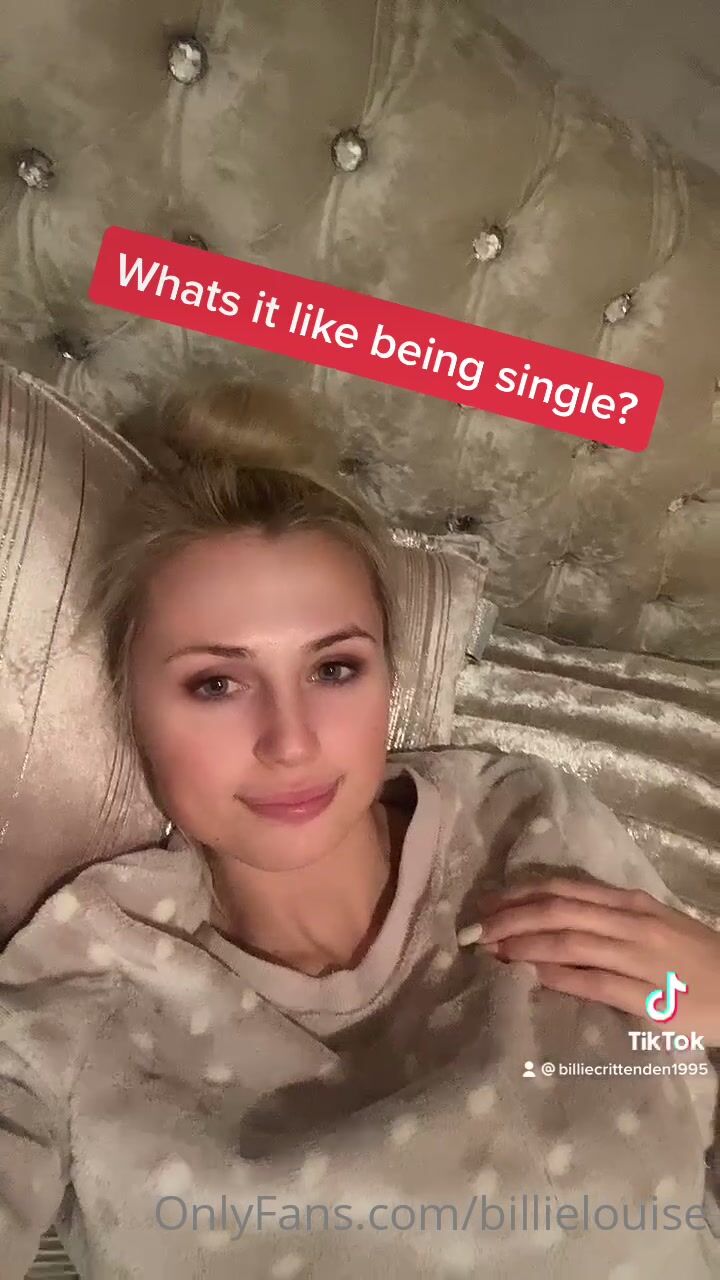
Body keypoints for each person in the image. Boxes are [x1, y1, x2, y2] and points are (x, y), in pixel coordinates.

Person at [0, 378, 718, 1279]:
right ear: (128, 707)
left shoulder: (525, 825)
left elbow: (682, 1082)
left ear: (388, 677)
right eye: (216, 684)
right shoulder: (82, 979)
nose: (291, 742)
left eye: (334, 669)